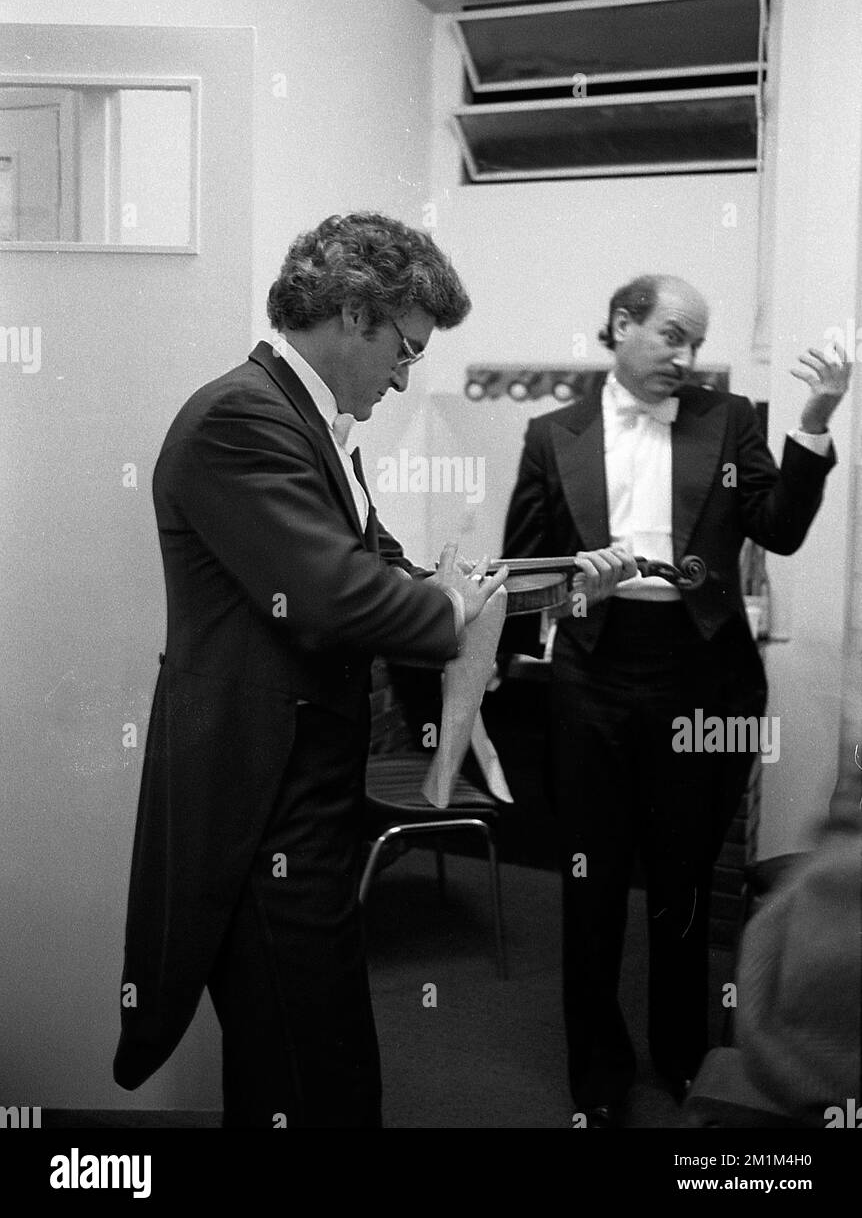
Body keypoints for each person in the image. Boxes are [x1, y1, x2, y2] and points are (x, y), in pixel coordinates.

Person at [112, 212, 510, 1128]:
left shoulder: (313, 425)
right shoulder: (239, 419)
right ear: (350, 314)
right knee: (312, 1078)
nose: (407, 374)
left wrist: (523, 591)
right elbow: (340, 600)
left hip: (309, 798)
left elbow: (393, 571)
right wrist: (455, 608)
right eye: (405, 349)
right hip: (261, 813)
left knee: (301, 1069)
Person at [500, 273, 849, 1127]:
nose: (686, 357)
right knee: (591, 881)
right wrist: (533, 627)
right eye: (671, 336)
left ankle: (686, 1052)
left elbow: (780, 528)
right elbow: (525, 571)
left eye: (696, 342)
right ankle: (598, 1071)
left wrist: (813, 423)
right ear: (622, 325)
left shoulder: (727, 423)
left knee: (685, 879)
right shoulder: (553, 436)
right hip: (592, 673)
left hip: (702, 675)